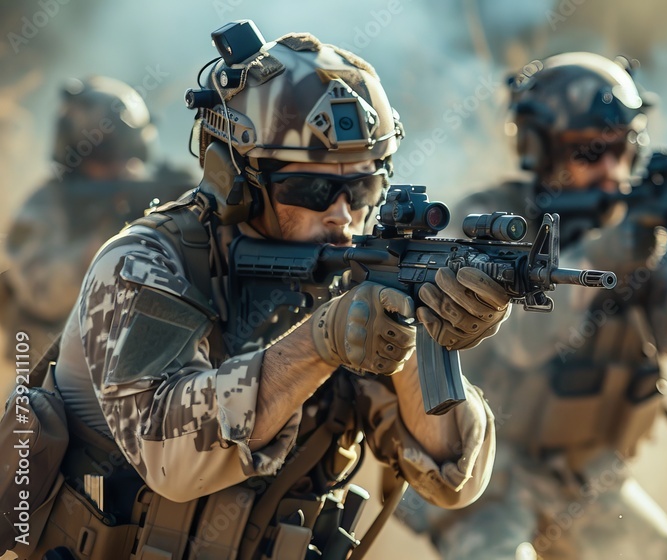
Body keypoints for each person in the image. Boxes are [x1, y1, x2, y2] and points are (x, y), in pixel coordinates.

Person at [28, 24, 507, 559]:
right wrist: (321, 343)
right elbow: (173, 460)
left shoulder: (353, 275)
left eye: (364, 187)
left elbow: (452, 477)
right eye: (313, 188)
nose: (343, 214)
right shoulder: (146, 264)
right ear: (240, 178)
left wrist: (413, 335)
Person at [395, 52, 667, 559]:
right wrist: (602, 256)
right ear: (542, 151)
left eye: (622, 150)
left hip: (587, 479)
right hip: (490, 475)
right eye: (590, 152)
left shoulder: (642, 228)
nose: (611, 169)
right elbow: (517, 344)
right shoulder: (490, 220)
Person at [0, 76, 189, 367]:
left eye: (129, 157)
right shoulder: (44, 205)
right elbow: (44, 296)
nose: (125, 169)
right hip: (49, 372)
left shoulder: (139, 191)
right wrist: (109, 232)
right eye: (110, 159)